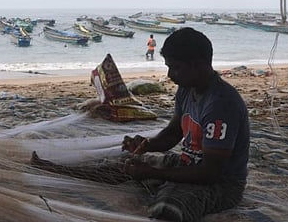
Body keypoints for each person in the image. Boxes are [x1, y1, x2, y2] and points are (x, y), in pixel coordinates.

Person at [31, 27, 250, 222]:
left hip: (221, 185)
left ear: (198, 65)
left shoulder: (221, 104)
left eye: (175, 68)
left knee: (167, 207)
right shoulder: (187, 89)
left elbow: (210, 173)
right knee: (124, 165)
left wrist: (153, 172)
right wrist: (146, 144)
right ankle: (58, 170)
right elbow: (173, 133)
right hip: (187, 165)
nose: (170, 75)